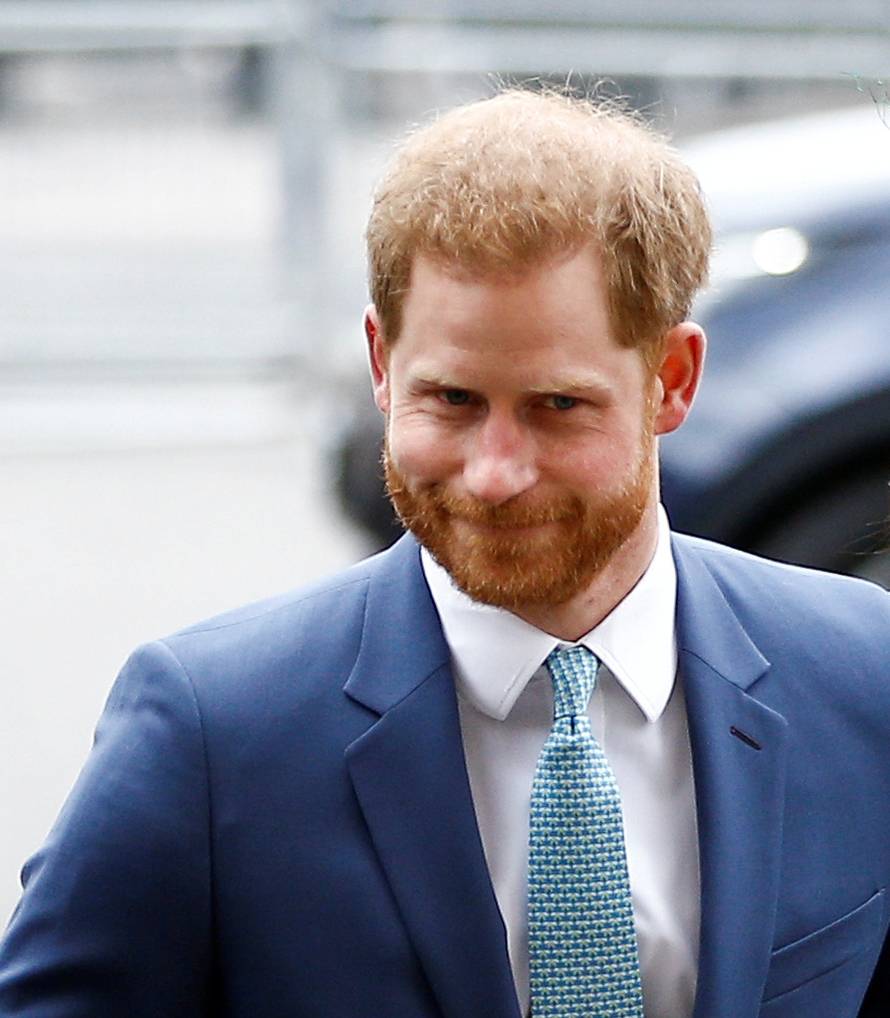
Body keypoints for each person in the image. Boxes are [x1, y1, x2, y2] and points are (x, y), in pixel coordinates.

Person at [1, 88, 889, 1018]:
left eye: (558, 406)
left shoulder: (862, 675)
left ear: (671, 379)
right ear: (381, 365)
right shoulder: (212, 731)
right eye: (453, 400)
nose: (494, 473)